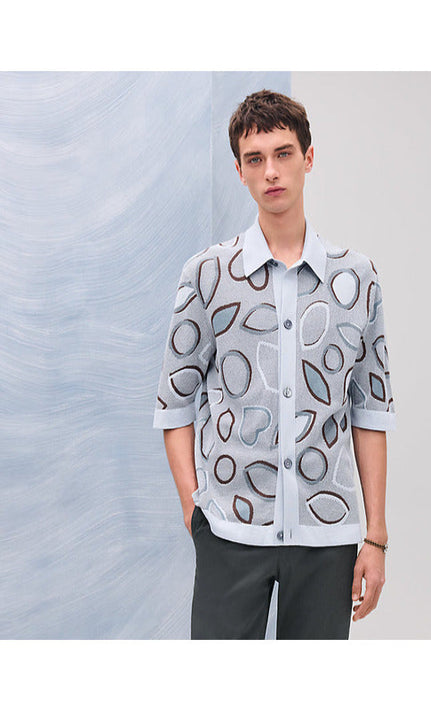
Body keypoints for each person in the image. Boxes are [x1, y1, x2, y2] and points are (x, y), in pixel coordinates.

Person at [153, 89, 396, 639]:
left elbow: (371, 410)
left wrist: (375, 537)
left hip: (327, 533)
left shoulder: (356, 279)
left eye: (283, 153)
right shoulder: (208, 275)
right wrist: (194, 510)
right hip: (229, 529)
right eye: (255, 159)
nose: (271, 171)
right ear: (239, 171)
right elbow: (174, 402)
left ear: (308, 158)